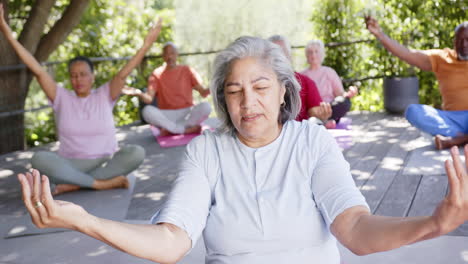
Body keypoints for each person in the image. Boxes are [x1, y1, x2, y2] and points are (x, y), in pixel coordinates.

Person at [17, 36, 468, 264]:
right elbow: (172, 240)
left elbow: (353, 227)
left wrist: (431, 224)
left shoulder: (311, 141)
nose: (247, 102)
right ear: (222, 100)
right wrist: (86, 220)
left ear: (282, 92)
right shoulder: (206, 152)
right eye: (234, 91)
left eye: (260, 86)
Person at [0, 4, 161, 195]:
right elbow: (36, 69)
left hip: (104, 160)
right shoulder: (61, 96)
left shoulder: (105, 93)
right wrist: (6, 32)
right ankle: (99, 183)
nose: (78, 79)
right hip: (70, 163)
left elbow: (124, 73)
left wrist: (146, 45)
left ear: (92, 76)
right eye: (74, 75)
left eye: (83, 74)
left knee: (136, 153)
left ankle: (74, 183)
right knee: (39, 160)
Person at [365, 17, 468, 150]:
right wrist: (380, 34)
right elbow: (408, 54)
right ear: (454, 42)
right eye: (460, 40)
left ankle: (457, 140)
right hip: (449, 120)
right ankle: (461, 138)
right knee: (413, 111)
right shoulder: (442, 57)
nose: (464, 44)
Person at [123, 42, 211, 136]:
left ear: (177, 54)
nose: (169, 57)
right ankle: (183, 130)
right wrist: (138, 93)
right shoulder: (156, 73)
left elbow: (203, 93)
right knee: (146, 111)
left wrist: (214, 87)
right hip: (166, 115)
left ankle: (173, 129)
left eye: (172, 53)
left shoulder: (187, 70)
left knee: (206, 106)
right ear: (163, 56)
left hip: (187, 113)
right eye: (166, 54)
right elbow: (149, 99)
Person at [268, 35, 333, 127]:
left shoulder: (306, 82)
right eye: (273, 54)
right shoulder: (256, 85)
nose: (278, 58)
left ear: (289, 57)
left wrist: (322, 114)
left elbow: (314, 111)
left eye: (282, 53)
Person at [301, 39, 358, 127]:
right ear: (306, 55)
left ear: (322, 54)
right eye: (310, 52)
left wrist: (349, 94)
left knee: (345, 102)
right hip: (312, 111)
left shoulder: (329, 72)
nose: (313, 55)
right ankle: (323, 123)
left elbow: (340, 94)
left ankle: (324, 122)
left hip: (330, 108)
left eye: (316, 51)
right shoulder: (302, 75)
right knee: (310, 118)